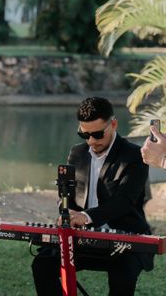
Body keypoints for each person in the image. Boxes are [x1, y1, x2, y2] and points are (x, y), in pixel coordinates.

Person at [32, 96, 153, 296]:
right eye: (84, 135)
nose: (91, 141)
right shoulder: (77, 153)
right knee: (42, 264)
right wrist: (66, 211)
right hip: (82, 239)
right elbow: (67, 197)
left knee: (122, 273)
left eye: (97, 134)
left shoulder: (134, 156)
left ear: (113, 124)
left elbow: (124, 202)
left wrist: (86, 217)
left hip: (127, 238)